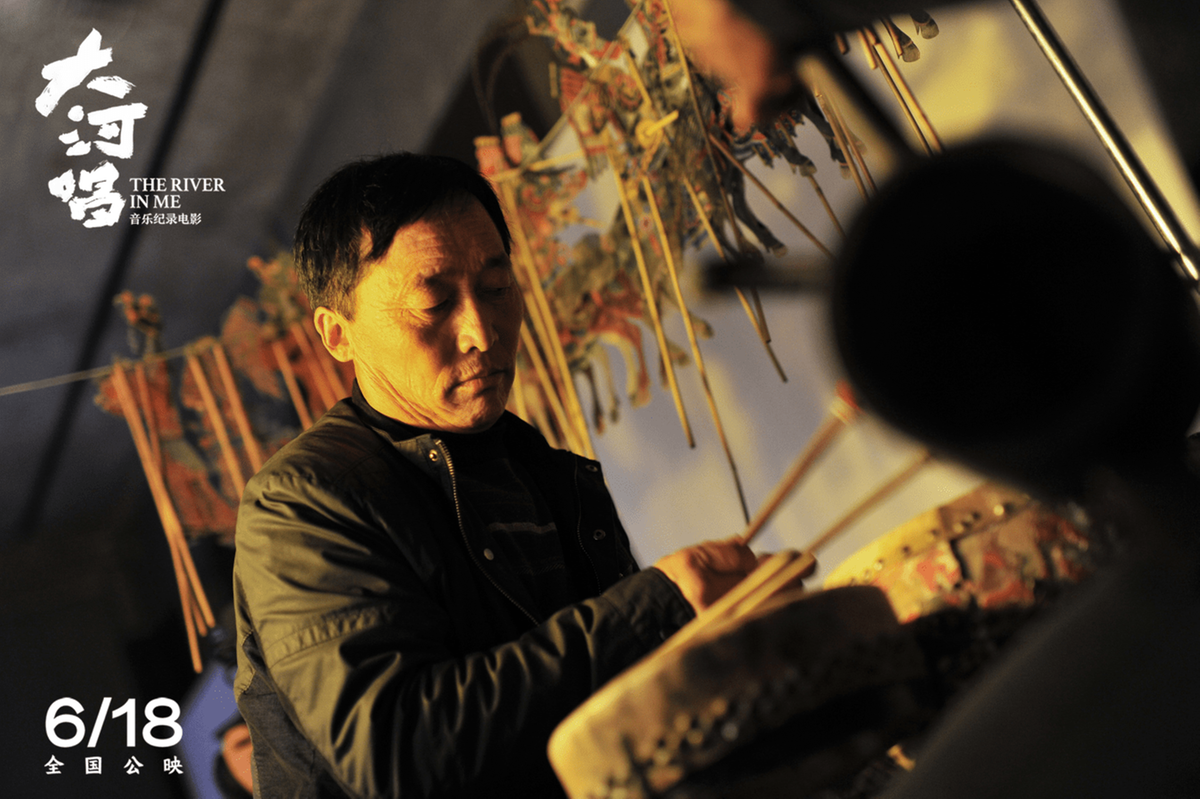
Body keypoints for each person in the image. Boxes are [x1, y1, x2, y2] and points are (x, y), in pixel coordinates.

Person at [232, 152, 761, 799]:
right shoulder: (303, 502)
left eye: (496, 287)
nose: (481, 333)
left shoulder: (540, 467)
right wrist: (654, 608)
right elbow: (400, 752)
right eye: (434, 302)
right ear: (337, 333)